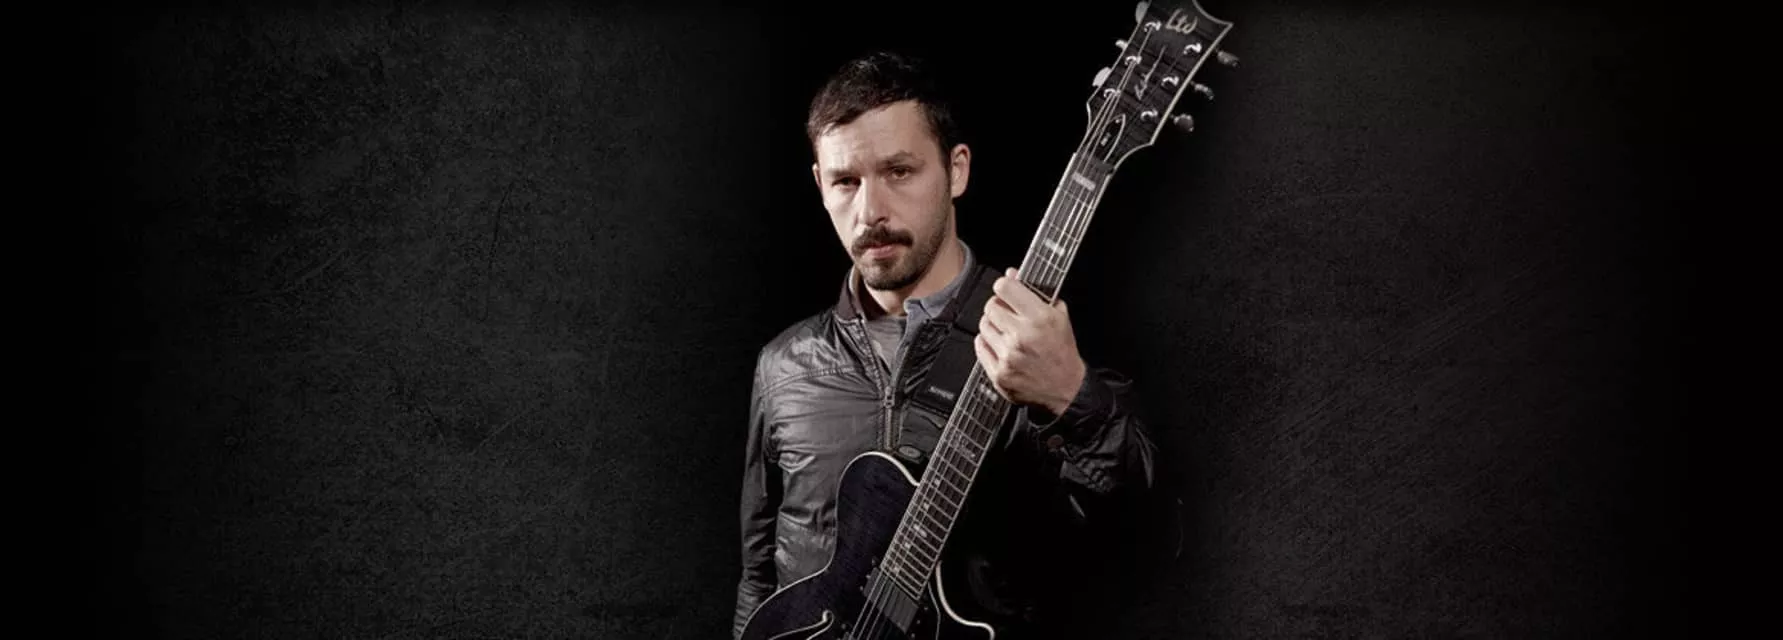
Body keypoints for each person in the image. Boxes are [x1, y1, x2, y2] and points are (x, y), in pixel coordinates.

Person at [733, 50, 1160, 639]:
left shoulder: (1038, 339)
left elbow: (1148, 530)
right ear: (819, 185)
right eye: (846, 181)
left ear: (956, 171)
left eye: (899, 171)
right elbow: (760, 571)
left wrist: (1072, 395)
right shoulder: (784, 364)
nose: (870, 211)